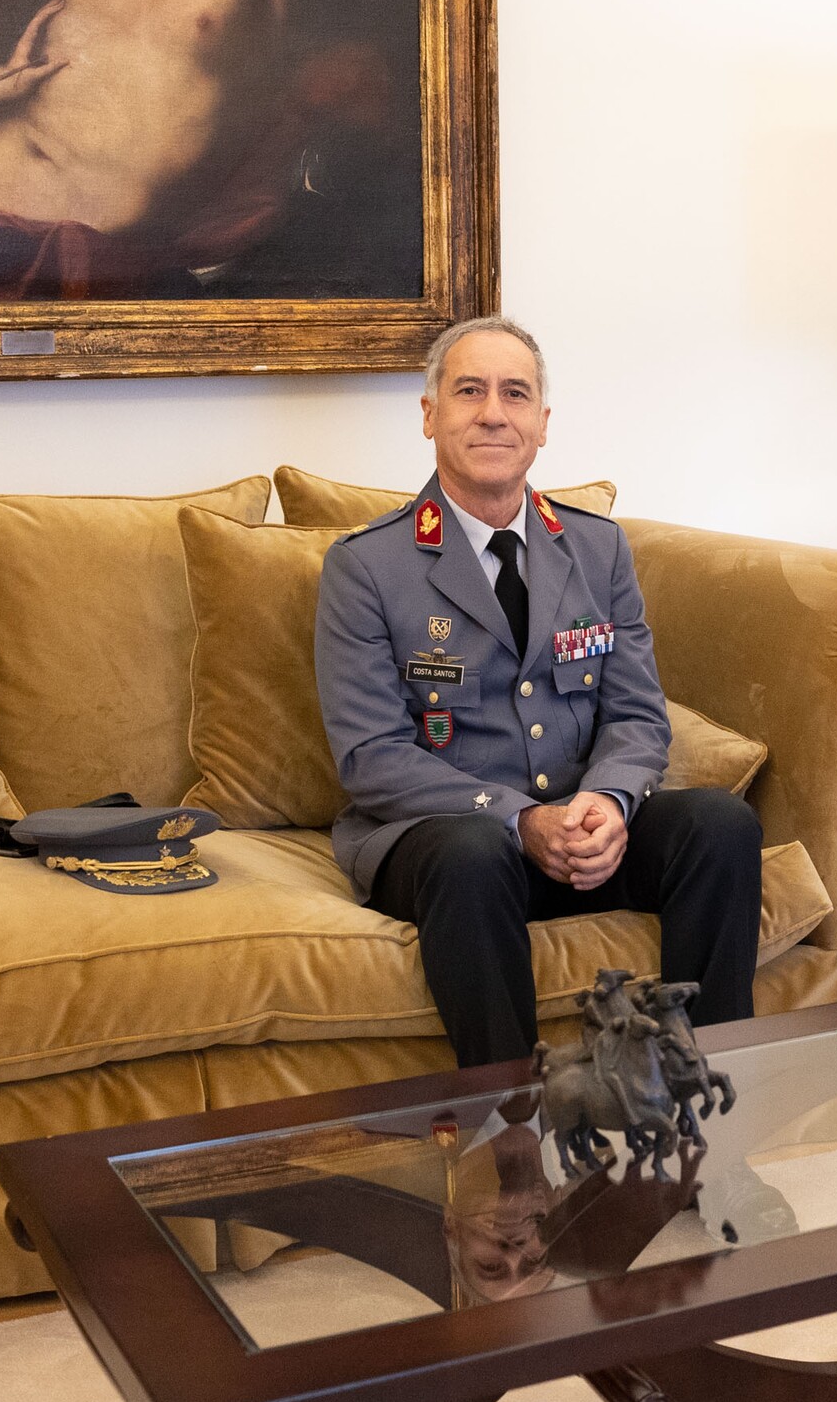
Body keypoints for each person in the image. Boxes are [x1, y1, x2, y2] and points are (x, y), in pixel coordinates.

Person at [315, 315, 763, 1067]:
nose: (494, 413)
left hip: (577, 831)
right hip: (450, 844)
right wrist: (519, 818)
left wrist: (609, 802)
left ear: (543, 423)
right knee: (470, 854)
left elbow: (636, 714)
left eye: (515, 394)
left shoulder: (597, 546)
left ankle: (706, 1089)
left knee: (720, 825)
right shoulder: (367, 566)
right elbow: (371, 757)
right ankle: (512, 1118)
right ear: (429, 414)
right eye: (469, 391)